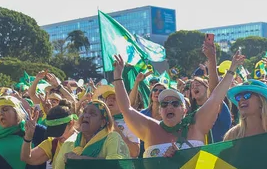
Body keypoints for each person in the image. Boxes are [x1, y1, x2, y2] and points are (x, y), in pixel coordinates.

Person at [114, 51, 245, 158]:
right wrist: (118, 76)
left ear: (184, 110)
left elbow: (215, 98)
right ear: (160, 111)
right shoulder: (150, 128)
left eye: (175, 103)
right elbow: (126, 108)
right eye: (164, 104)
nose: (169, 106)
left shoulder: (197, 125)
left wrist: (231, 70)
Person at [188, 43, 232, 143]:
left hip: (219, 155)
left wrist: (212, 59)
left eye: (198, 84)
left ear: (207, 88)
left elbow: (214, 91)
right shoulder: (189, 113)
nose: (195, 86)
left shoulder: (217, 105)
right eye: (192, 86)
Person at [93, 84, 140, 157]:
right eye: (107, 98)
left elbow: (134, 152)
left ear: (122, 103)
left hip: (121, 166)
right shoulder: (98, 122)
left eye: (114, 98)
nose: (110, 100)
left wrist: (117, 130)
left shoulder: (130, 122)